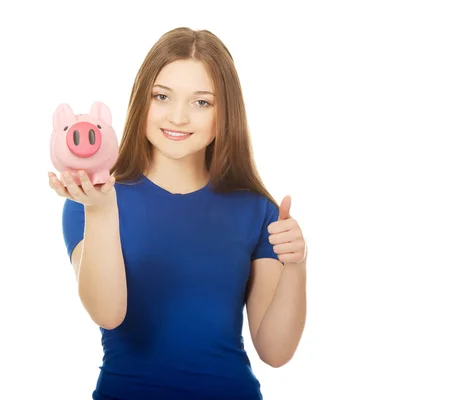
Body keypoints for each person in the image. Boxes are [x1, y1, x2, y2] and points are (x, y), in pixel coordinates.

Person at [48, 27, 308, 400]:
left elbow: (275, 351)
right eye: (162, 96)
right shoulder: (90, 201)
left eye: (201, 102)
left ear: (225, 113)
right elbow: (108, 313)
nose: (178, 117)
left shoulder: (258, 211)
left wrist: (296, 264)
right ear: (143, 99)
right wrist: (102, 210)